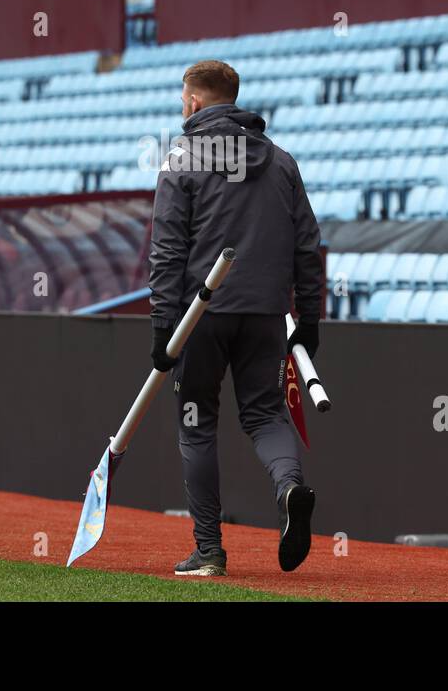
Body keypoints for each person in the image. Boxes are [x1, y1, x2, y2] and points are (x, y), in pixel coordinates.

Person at [148, 60, 324, 577]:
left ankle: (209, 551)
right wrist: (308, 319)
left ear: (196, 102)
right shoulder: (281, 161)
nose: (182, 107)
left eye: (184, 99)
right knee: (266, 414)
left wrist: (163, 325)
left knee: (196, 421)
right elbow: (307, 247)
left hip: (201, 313)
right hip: (266, 312)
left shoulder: (181, 157)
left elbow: (166, 249)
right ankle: (289, 487)